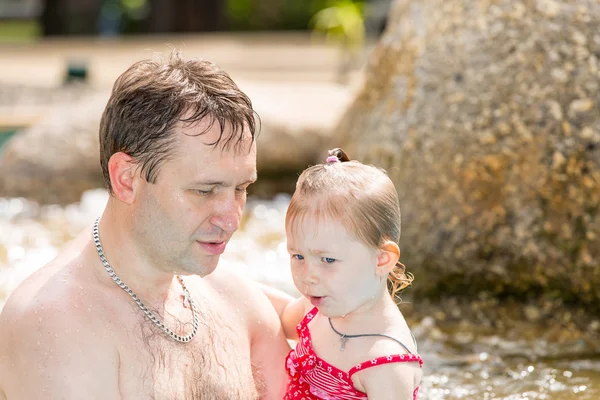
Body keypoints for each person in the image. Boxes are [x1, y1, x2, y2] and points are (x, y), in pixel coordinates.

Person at [0, 50, 291, 400]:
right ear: (126, 179)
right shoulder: (55, 324)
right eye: (204, 191)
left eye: (242, 189)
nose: (232, 218)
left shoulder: (240, 304)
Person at [269, 148, 423, 399]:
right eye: (298, 256)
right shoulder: (316, 309)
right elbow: (275, 319)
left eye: (328, 259)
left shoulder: (384, 362)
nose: (308, 275)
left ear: (382, 259)